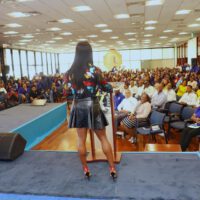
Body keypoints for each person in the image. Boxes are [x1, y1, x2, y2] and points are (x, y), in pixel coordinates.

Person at [66, 41, 117, 179]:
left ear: (76, 53)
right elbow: (107, 88)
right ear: (90, 53)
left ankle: (85, 169)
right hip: (93, 105)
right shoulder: (95, 70)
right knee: (103, 138)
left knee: (81, 140)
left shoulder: (69, 73)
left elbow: (68, 92)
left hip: (78, 106)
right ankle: (112, 168)